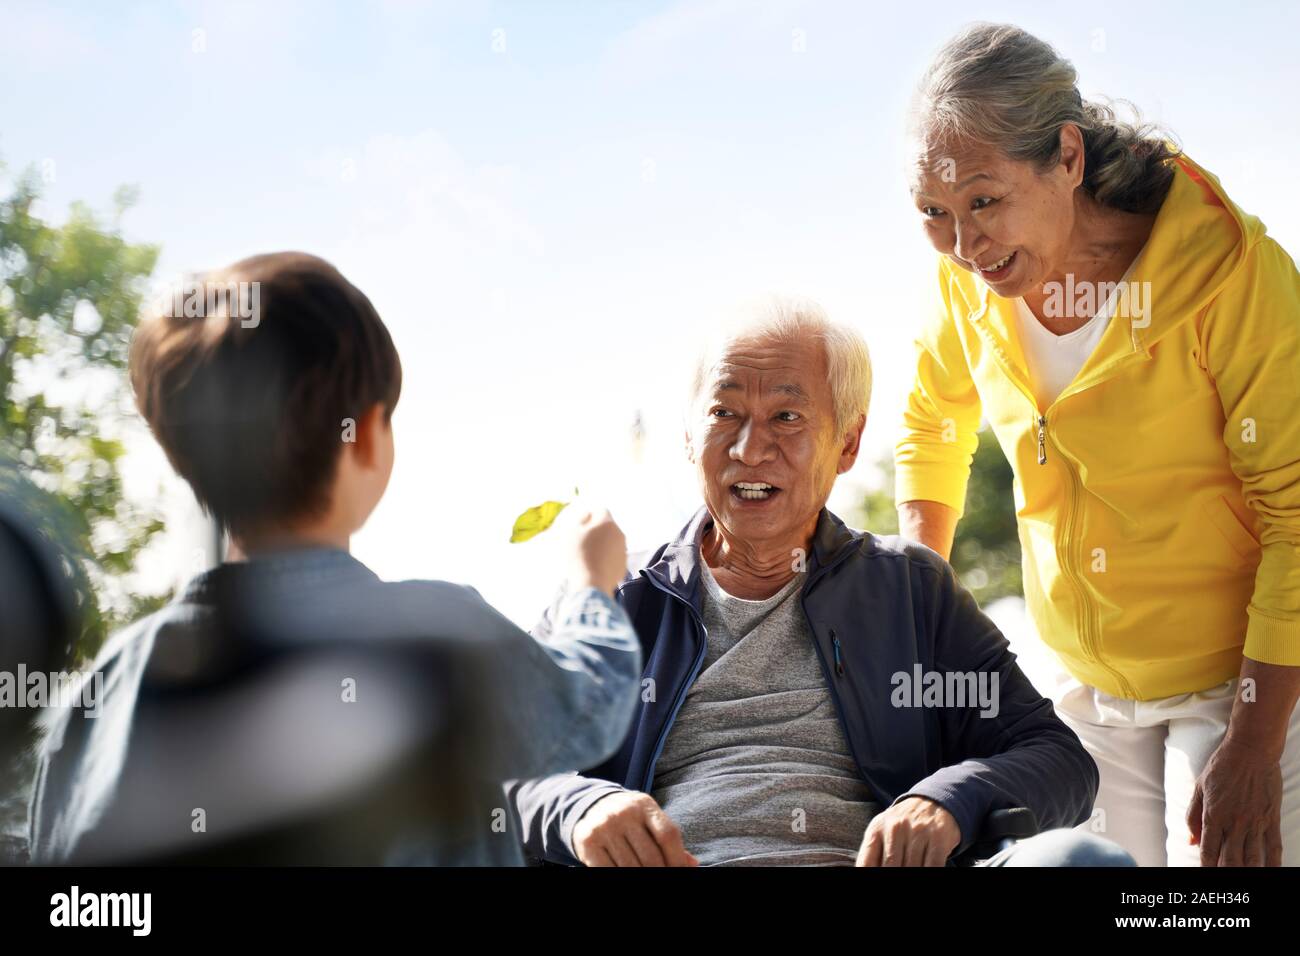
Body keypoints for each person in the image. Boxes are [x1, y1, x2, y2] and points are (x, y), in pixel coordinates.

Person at [29, 252, 642, 865]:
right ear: (369, 436)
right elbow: (588, 707)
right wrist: (591, 580)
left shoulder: (102, 693)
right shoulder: (436, 632)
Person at [510, 299, 1132, 867]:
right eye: (724, 413)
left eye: (786, 416)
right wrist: (578, 808)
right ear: (688, 434)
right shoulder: (620, 600)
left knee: (1081, 861)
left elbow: (1060, 761)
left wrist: (947, 801)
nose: (750, 450)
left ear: (848, 443)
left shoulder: (909, 590)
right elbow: (499, 769)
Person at [897, 23, 1300, 866]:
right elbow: (933, 426)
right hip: (1083, 682)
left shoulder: (1229, 272)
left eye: (984, 200)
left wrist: (1258, 744)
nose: (965, 246)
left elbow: (1296, 513)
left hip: (1247, 679)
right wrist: (916, 604)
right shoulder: (970, 283)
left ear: (1067, 157)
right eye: (934, 213)